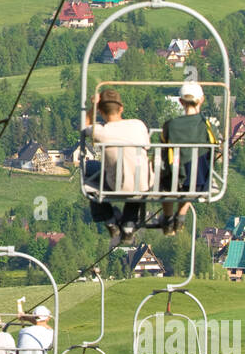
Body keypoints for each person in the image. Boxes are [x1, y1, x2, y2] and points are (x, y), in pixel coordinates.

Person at [82, 87, 151, 240]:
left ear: (100, 111)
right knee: (137, 174)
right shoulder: (138, 125)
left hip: (116, 184)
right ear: (121, 108)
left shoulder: (102, 131)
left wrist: (93, 106)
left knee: (90, 167)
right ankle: (128, 223)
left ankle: (109, 219)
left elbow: (84, 126)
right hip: (143, 184)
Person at [160, 81, 216, 232]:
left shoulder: (170, 125)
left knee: (167, 180)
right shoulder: (207, 126)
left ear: (180, 101)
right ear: (201, 100)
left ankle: (168, 217)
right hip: (199, 182)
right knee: (192, 176)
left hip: (174, 181)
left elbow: (163, 150)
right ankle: (181, 214)